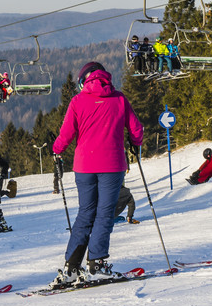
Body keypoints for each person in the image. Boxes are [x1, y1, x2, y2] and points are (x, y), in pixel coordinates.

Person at [49, 61, 144, 288]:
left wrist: (56, 151)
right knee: (104, 215)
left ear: (84, 80)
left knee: (85, 213)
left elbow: (66, 134)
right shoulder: (119, 99)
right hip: (112, 165)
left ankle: (71, 268)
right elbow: (136, 130)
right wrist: (135, 143)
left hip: (84, 166)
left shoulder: (78, 101)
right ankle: (96, 265)